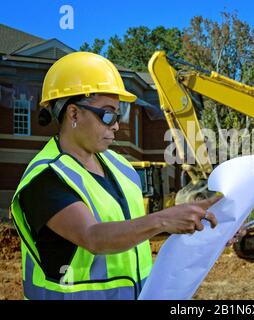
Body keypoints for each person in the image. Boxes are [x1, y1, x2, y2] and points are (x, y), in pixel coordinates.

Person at [10, 52, 241, 300]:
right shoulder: (47, 177)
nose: (116, 126)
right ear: (74, 114)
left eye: (119, 115)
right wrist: (162, 219)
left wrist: (200, 224)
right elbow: (93, 237)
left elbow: (134, 231)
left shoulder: (120, 167)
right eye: (107, 114)